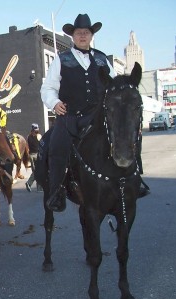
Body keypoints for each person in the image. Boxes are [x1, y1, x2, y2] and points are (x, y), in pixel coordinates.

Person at [41, 13, 116, 212]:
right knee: (56, 147)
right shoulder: (61, 59)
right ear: (72, 36)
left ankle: (132, 183)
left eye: (86, 32)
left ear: (92, 35)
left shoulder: (102, 59)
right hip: (70, 117)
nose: (82, 36)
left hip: (98, 116)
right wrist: (54, 103)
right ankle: (57, 192)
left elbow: (115, 86)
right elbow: (47, 88)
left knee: (124, 139)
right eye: (78, 33)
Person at [25, 124, 42, 192]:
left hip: (31, 155)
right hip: (37, 155)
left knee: (35, 171)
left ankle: (37, 186)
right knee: (39, 171)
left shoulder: (28, 136)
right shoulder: (39, 136)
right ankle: (31, 183)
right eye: (37, 129)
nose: (38, 130)